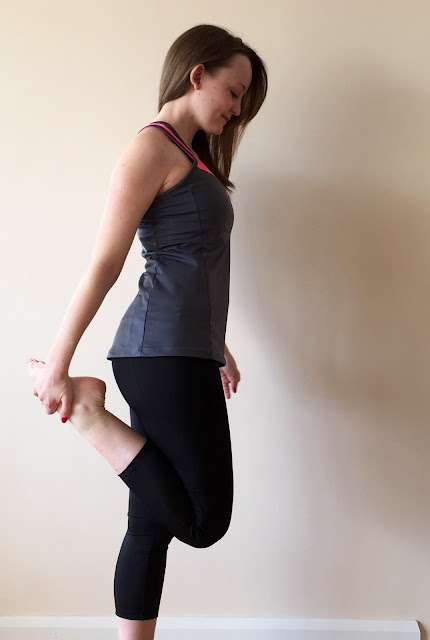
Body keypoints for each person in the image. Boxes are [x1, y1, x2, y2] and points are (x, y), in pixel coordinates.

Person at [26, 23, 268, 640]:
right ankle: (88, 413)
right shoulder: (152, 149)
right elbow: (105, 264)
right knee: (205, 521)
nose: (237, 108)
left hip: (179, 350)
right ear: (197, 74)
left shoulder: (190, 156)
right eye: (234, 91)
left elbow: (190, 264)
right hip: (161, 354)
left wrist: (219, 346)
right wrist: (58, 364)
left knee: (149, 526)